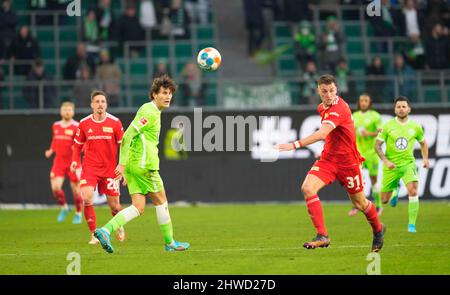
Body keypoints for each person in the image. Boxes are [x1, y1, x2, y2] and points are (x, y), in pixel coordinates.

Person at [275, 74, 385, 252]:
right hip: (328, 160)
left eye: (332, 90)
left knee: (360, 203)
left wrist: (294, 145)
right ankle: (322, 235)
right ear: (318, 90)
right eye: (324, 91)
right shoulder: (321, 107)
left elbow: (322, 134)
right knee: (307, 188)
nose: (328, 94)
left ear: (337, 90)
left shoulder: (339, 108)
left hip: (348, 163)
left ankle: (378, 231)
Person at [94, 75, 190, 253]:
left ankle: (105, 231)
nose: (168, 96)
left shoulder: (152, 111)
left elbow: (134, 139)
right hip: (144, 166)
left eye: (169, 93)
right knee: (161, 201)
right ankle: (170, 243)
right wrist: (122, 165)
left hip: (135, 165)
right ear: (154, 94)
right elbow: (127, 136)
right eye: (163, 93)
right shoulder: (149, 111)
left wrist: (127, 167)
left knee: (138, 206)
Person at [70, 90, 125, 245]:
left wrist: (123, 167)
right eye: (97, 101)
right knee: (86, 198)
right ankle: (94, 234)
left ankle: (118, 225)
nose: (100, 104)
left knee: (115, 205)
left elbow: (124, 146)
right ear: (92, 105)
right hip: (90, 168)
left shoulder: (115, 122)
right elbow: (77, 145)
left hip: (110, 169)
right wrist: (75, 161)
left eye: (103, 101)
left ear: (106, 104)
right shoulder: (84, 123)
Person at [375, 96, 429, 233]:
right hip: (391, 166)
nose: (401, 109)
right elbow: (377, 146)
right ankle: (395, 191)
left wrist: (425, 159)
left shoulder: (416, 127)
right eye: (398, 107)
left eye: (404, 106)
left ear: (409, 109)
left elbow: (423, 143)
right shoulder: (387, 126)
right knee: (384, 200)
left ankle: (411, 224)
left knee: (413, 191)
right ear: (395, 109)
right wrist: (386, 161)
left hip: (408, 164)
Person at [45, 102, 83, 224]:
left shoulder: (77, 126)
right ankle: (65, 207)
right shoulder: (55, 125)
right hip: (59, 162)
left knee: (76, 190)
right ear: (61, 111)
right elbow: (54, 140)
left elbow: (82, 144)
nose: (67, 111)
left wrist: (77, 149)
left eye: (69, 109)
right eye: (65, 109)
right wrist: (51, 150)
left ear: (73, 112)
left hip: (73, 163)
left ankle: (78, 213)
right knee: (55, 188)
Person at [348, 94, 383, 217]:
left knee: (374, 179)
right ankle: (357, 205)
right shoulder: (354, 116)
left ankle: (378, 205)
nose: (363, 102)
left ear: (370, 102)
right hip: (358, 153)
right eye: (361, 100)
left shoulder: (375, 116)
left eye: (366, 100)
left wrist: (369, 133)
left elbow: (381, 133)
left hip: (372, 153)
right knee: (357, 180)